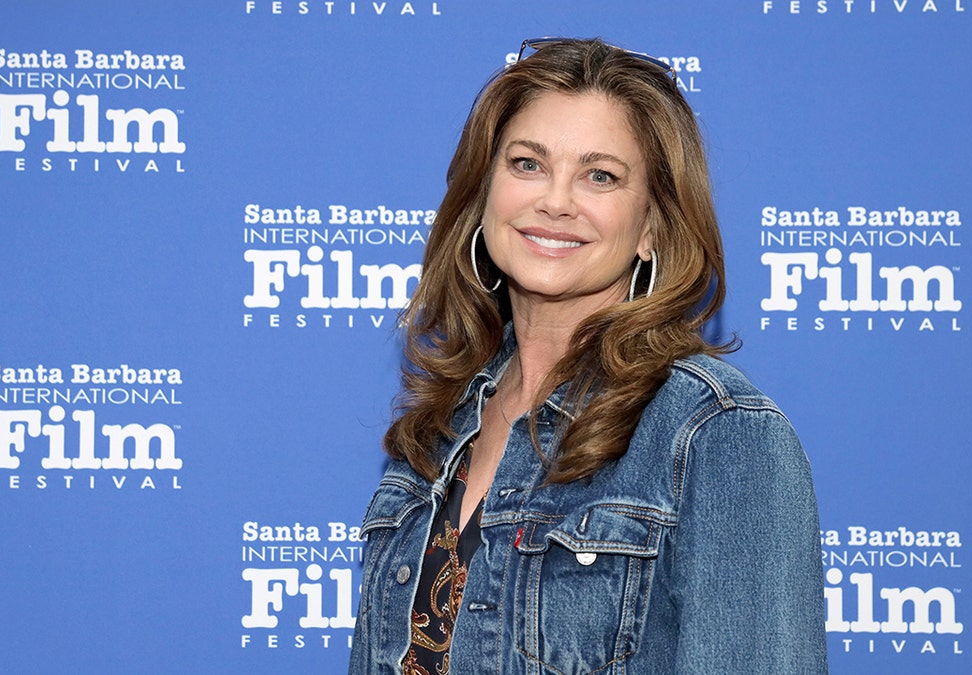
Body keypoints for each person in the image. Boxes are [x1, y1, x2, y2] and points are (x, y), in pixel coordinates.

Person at [349, 37, 827, 674]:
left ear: (653, 227)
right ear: (482, 194)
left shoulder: (717, 435)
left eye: (600, 176)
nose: (556, 200)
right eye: (527, 164)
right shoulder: (437, 432)